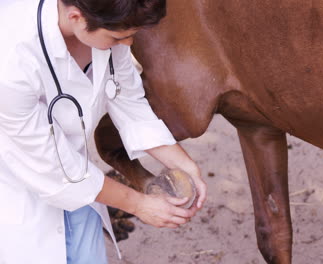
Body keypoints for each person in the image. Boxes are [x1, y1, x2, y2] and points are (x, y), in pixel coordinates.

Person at [0, 0, 207, 263]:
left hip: (81, 186)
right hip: (17, 189)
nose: (129, 44)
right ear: (76, 16)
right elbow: (51, 165)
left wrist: (185, 164)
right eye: (120, 37)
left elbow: (129, 101)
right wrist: (139, 205)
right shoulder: (10, 60)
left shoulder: (105, 26)